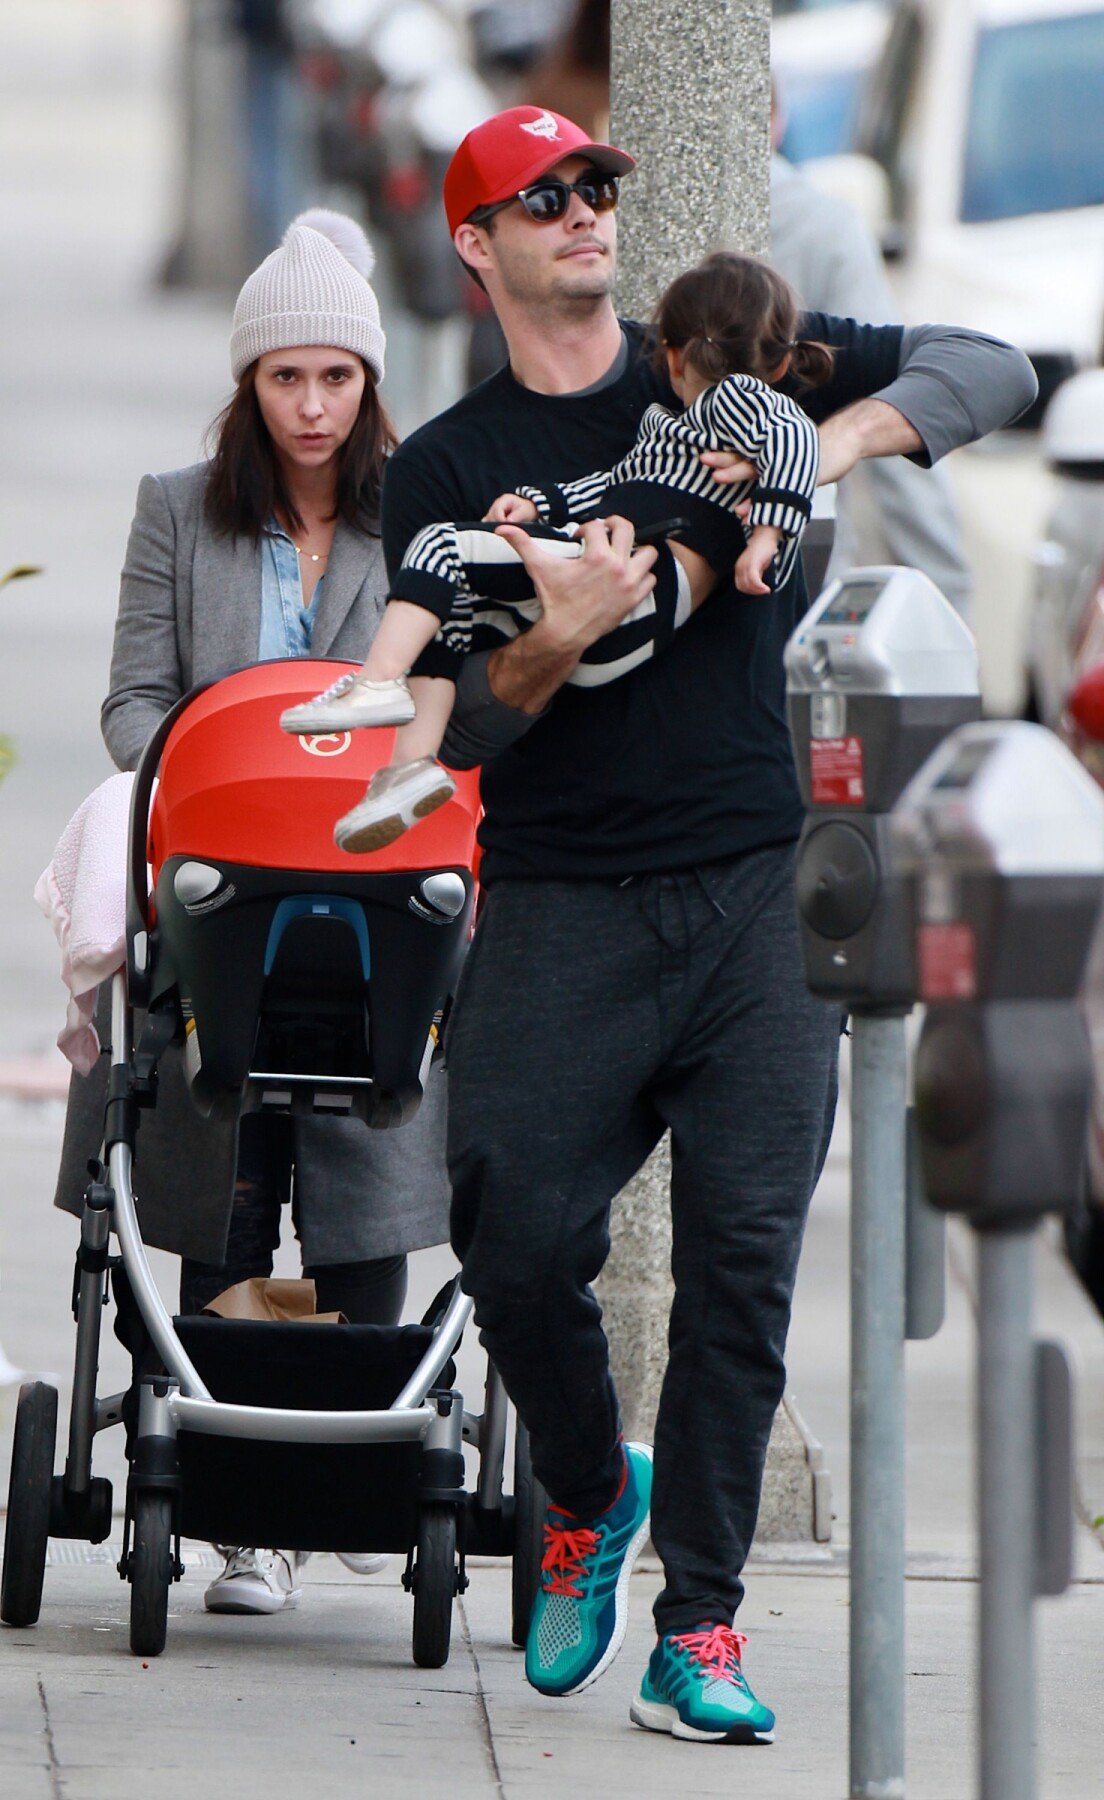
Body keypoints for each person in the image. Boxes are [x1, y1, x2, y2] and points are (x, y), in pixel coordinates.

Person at [381, 105, 1037, 1742]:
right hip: (563, 904)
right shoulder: (449, 467)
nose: (590, 210)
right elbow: (458, 731)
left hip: (756, 888)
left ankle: (703, 1629)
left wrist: (825, 441)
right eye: (547, 196)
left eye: (602, 182)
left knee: (745, 1267)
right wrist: (559, 631)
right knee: (514, 1239)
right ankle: (592, 1488)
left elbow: (996, 364)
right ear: (479, 243)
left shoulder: (718, 358)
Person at [58, 209, 452, 1617]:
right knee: (220, 1148)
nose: (310, 405)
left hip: (369, 876)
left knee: (366, 1156)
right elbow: (128, 702)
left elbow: (448, 698)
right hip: (226, 868)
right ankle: (236, 1512)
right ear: (249, 385)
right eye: (284, 379)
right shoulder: (180, 507)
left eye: (334, 378)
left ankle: (361, 1461)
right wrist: (215, 766)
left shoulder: (423, 514)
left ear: (367, 383)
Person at [284, 249, 828, 853]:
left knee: (440, 548)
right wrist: (538, 502)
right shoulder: (668, 425)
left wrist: (767, 537)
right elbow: (614, 482)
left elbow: (795, 438)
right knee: (455, 606)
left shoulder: (733, 400)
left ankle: (378, 680)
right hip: (612, 615)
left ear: (672, 355)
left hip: (638, 597)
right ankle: (408, 768)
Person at [769, 105, 974, 618]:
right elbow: (901, 404)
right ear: (777, 118)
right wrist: (949, 609)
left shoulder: (604, 212)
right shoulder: (818, 224)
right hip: (798, 578)